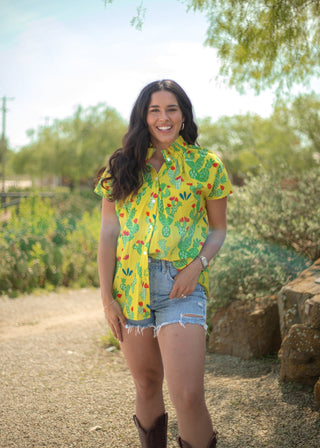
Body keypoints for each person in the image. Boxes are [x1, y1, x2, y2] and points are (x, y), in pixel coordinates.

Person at [94, 80, 232, 448]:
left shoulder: (208, 166)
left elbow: (218, 231)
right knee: (146, 383)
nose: (163, 117)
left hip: (180, 289)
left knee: (188, 395)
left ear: (184, 115)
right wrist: (107, 298)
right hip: (131, 289)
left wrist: (196, 267)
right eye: (154, 110)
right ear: (143, 116)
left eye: (171, 109)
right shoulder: (122, 167)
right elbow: (108, 237)